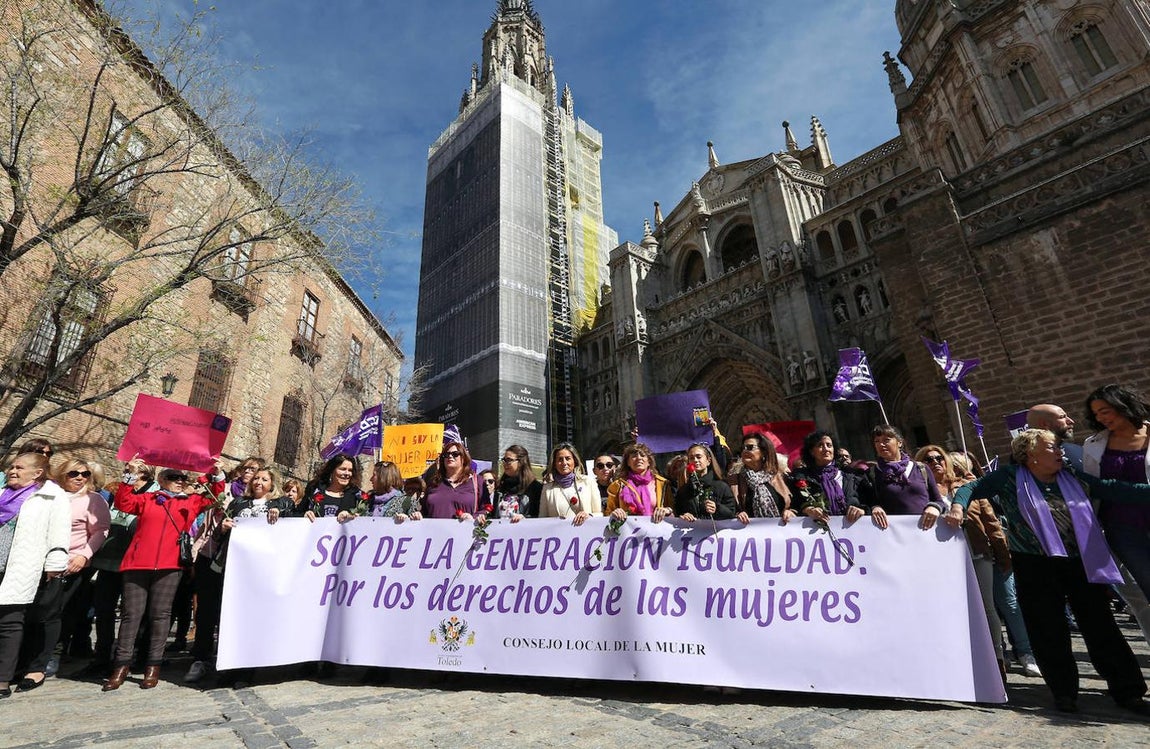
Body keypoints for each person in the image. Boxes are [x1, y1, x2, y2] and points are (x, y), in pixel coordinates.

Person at [950, 429, 1150, 714]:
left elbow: (1113, 488)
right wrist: (958, 508)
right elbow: (970, 488)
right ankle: (1064, 692)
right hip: (1034, 565)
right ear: (1030, 455)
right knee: (1047, 629)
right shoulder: (1009, 478)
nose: (1060, 452)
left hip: (1080, 561)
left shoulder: (1072, 477)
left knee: (1101, 625)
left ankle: (1128, 690)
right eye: (1052, 448)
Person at [102, 461, 215, 691]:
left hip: (169, 565)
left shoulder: (191, 503)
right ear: (162, 480)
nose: (180, 481)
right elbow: (124, 502)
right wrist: (130, 476)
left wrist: (212, 474)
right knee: (130, 615)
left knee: (160, 616)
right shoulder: (148, 499)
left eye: (182, 478)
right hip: (138, 563)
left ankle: (153, 666)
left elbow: (215, 496)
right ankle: (121, 665)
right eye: (174, 477)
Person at [916, 445, 1017, 680]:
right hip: (942, 560)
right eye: (928, 460)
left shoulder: (966, 486)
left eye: (939, 458)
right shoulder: (922, 493)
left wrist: (1003, 554)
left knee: (987, 606)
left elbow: (990, 521)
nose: (935, 462)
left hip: (977, 550)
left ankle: (997, 659)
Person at [186, 467, 291, 684]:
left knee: (246, 618)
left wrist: (280, 510)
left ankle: (243, 667)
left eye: (264, 479)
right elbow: (217, 537)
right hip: (228, 566)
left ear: (272, 484)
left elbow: (291, 508)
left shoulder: (279, 504)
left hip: (256, 572)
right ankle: (204, 660)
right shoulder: (238, 503)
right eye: (256, 479)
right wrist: (222, 528)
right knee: (214, 613)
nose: (259, 482)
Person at [17, 459, 110, 691]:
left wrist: (84, 556)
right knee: (31, 611)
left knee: (55, 612)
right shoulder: (50, 495)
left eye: (85, 474)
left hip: (71, 563)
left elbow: (100, 531)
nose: (80, 477)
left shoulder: (93, 500)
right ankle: (23, 658)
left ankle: (48, 657)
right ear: (62, 474)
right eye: (74, 473)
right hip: (38, 562)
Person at [1081, 384, 1150, 645]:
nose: (1101, 418)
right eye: (1096, 414)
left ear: (1123, 405)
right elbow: (1092, 488)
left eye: (1105, 411)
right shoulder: (1094, 444)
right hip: (1123, 529)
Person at [0, 452, 70, 699]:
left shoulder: (52, 496)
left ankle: (3, 679)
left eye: (19, 467)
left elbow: (59, 533)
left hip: (22, 565)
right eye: (11, 467)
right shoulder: (2, 492)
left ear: (37, 473)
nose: (12, 471)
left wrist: (56, 564)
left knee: (10, 622)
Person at [860, 425, 947, 530]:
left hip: (927, 532)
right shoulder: (872, 473)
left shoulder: (921, 468)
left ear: (899, 442)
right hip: (897, 535)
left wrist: (934, 507)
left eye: (886, 440)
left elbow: (939, 501)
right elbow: (869, 503)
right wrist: (875, 507)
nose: (881, 444)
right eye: (877, 441)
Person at [791, 431, 864, 523]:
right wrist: (808, 510)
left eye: (829, 445)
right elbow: (795, 505)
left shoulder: (850, 476)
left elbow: (868, 502)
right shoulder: (801, 477)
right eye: (820, 445)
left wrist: (862, 510)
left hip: (853, 529)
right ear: (811, 452)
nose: (826, 449)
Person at [728, 433, 796, 522]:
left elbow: (797, 504)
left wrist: (790, 511)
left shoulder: (782, 476)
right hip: (750, 532)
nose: (745, 451)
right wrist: (738, 514)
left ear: (764, 452)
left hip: (782, 531)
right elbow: (729, 507)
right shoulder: (734, 480)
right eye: (743, 448)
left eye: (750, 447)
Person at [607, 443, 672, 522]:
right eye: (634, 456)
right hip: (628, 531)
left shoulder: (662, 484)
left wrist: (667, 510)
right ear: (628, 463)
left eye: (643, 455)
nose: (639, 458)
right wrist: (614, 513)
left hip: (656, 531)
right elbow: (607, 513)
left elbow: (674, 513)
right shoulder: (618, 485)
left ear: (649, 462)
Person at [538, 443, 600, 524]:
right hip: (559, 535)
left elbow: (599, 513)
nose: (564, 463)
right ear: (555, 464)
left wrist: (589, 515)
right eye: (560, 459)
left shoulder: (588, 482)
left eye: (568, 458)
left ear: (574, 461)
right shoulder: (547, 488)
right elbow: (542, 519)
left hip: (585, 534)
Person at [676, 443, 737, 523]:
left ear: (708, 461)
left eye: (699, 457)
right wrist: (684, 516)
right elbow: (677, 513)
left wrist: (717, 508)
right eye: (691, 458)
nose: (695, 460)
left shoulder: (722, 487)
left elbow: (733, 513)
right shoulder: (683, 491)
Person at [422, 442, 479, 519]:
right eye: (446, 454)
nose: (450, 456)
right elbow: (424, 512)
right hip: (434, 530)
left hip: (465, 530)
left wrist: (473, 517)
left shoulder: (477, 482)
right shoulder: (433, 482)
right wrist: (418, 516)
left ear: (464, 458)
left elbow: (486, 509)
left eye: (455, 454)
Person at [303, 454, 364, 523]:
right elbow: (296, 512)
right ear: (332, 470)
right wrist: (304, 515)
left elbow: (365, 519)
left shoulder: (358, 496)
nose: (347, 473)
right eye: (343, 469)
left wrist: (352, 516)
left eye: (350, 470)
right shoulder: (314, 489)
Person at [491, 445, 542, 520]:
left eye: (509, 460)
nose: (505, 463)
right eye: (504, 460)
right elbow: (494, 515)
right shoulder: (500, 488)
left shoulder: (535, 488)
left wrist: (525, 518)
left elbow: (539, 516)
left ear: (521, 462)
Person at [1027, 403, 1082, 470]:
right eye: (1062, 417)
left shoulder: (1076, 450)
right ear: (1045, 424)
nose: (1071, 421)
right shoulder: (1026, 461)